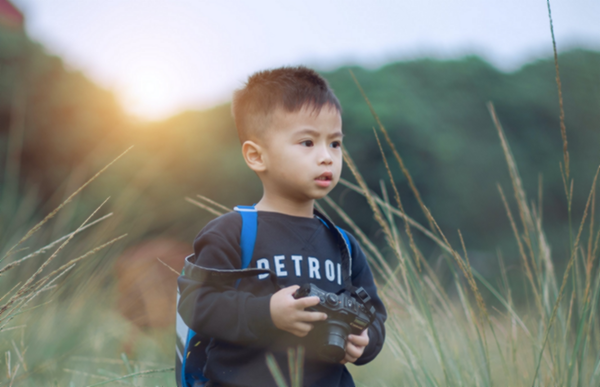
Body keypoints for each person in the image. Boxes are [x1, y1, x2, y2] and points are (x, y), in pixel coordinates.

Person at [177, 66, 387, 387]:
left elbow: (374, 312)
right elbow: (195, 304)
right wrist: (267, 313)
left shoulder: (344, 246)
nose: (327, 157)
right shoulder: (233, 233)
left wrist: (367, 339)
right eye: (307, 142)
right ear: (256, 156)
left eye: (335, 143)